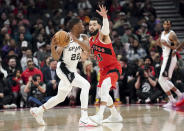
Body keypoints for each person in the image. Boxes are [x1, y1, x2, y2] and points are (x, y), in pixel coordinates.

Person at [30, 17, 97, 127]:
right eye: (81, 24)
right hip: (63, 68)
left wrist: (77, 41)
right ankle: (84, 118)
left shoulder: (83, 37)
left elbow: (88, 51)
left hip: (72, 70)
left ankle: (38, 111)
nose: (84, 26)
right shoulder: (65, 37)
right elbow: (56, 57)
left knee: (60, 98)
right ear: (75, 26)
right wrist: (52, 46)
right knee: (86, 85)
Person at [88, 5, 123, 124]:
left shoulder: (103, 35)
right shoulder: (90, 40)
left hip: (113, 67)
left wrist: (104, 18)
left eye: (94, 24)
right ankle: (115, 115)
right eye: (90, 25)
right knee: (103, 93)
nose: (91, 26)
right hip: (102, 70)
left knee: (104, 88)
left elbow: (106, 30)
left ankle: (99, 116)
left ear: (99, 26)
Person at [157, 20, 184, 108]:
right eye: (165, 24)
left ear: (171, 25)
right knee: (164, 80)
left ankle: (172, 99)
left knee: (162, 80)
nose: (166, 25)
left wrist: (168, 46)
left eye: (168, 24)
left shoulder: (172, 34)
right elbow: (160, 43)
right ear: (163, 25)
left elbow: (178, 46)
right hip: (165, 58)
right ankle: (179, 95)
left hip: (170, 59)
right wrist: (162, 45)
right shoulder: (162, 33)